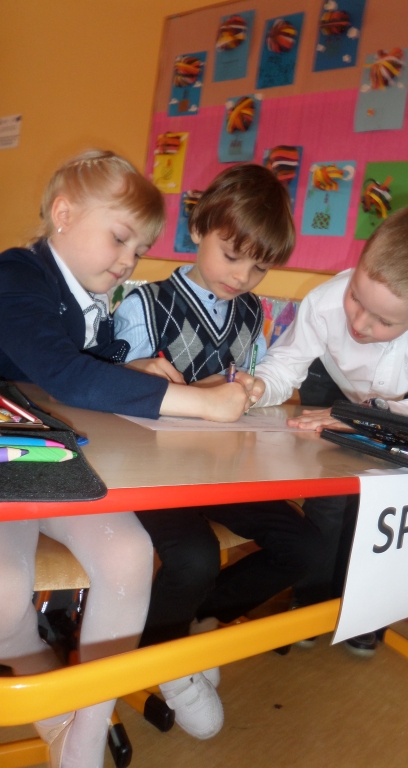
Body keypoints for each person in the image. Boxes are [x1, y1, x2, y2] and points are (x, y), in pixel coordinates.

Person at [0, 150, 253, 768]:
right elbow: (63, 372)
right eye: (119, 238)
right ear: (63, 214)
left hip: (53, 461)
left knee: (130, 555)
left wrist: (131, 367)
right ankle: (59, 714)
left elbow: (84, 368)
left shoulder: (92, 297)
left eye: (138, 250)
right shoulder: (16, 275)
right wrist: (202, 403)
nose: (127, 261)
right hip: (7, 467)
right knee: (4, 593)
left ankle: (83, 738)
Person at [114, 164, 321, 739]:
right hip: (151, 471)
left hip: (221, 467)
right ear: (198, 227)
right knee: (195, 556)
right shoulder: (145, 303)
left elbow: (250, 384)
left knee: (305, 545)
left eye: (259, 267)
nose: (242, 277)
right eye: (232, 256)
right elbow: (105, 393)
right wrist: (144, 376)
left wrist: (254, 390)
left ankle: (198, 624)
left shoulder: (252, 312)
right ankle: (162, 657)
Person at [252, 203, 408, 656]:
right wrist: (251, 388)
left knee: (384, 506)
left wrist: (365, 418)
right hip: (334, 383)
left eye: (383, 321)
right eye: (356, 298)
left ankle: (367, 611)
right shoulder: (325, 301)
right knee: (329, 502)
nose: (358, 324)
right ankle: (311, 603)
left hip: (406, 407)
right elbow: (284, 366)